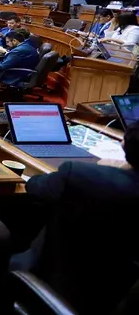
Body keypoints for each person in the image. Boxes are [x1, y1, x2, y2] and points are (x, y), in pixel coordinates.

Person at [11, 124, 139, 314]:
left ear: (124, 144)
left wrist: (108, 170)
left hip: (52, 290)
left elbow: (35, 188)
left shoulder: (81, 175)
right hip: (117, 296)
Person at [0, 28, 39, 101]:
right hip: (24, 72)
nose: (7, 44)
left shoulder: (18, 51)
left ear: (14, 41)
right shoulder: (26, 45)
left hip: (15, 75)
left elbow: (3, 66)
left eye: (8, 42)